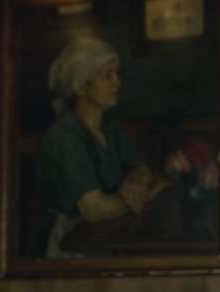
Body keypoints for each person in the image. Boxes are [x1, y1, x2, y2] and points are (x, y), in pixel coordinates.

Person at [35, 37, 167, 257]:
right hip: (72, 244)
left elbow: (138, 165)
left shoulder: (107, 126)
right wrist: (146, 195)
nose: (117, 82)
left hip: (106, 234)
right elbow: (93, 209)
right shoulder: (65, 137)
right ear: (81, 86)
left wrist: (138, 180)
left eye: (116, 73)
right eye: (107, 75)